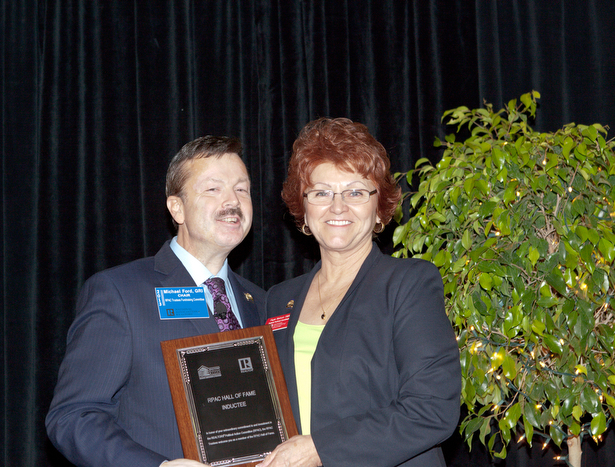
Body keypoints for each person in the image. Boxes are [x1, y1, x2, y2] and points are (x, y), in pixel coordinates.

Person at [46, 136, 265, 467]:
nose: (232, 201)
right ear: (176, 207)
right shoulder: (120, 292)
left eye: (242, 189)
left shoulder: (262, 302)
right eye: (213, 189)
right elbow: (73, 416)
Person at [260, 118, 461, 467]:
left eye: (355, 192)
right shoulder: (279, 299)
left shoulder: (409, 285)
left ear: (379, 206)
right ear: (303, 209)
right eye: (321, 193)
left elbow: (432, 409)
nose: (338, 207)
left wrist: (321, 449)